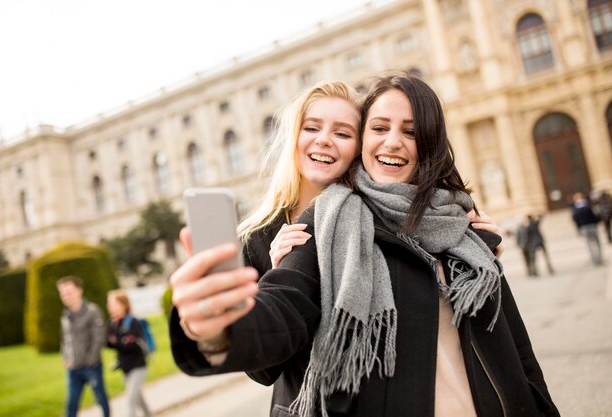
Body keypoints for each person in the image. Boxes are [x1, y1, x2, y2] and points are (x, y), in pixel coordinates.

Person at [169, 73, 558, 417]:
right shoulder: (324, 224)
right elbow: (282, 309)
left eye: (410, 131)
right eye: (380, 128)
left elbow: (519, 358)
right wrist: (217, 329)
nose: (393, 143)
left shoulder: (461, 229)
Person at [56, 275, 110, 417]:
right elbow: (64, 339)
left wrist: (90, 360)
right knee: (71, 404)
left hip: (91, 366)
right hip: (73, 368)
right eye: (62, 294)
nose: (65, 296)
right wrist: (66, 358)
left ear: (79, 290)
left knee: (101, 399)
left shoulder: (92, 311)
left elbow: (98, 338)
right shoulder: (65, 316)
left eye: (69, 292)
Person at [106, 290, 153, 417]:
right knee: (138, 397)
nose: (109, 306)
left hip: (138, 366)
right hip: (125, 366)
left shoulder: (133, 321)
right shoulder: (113, 322)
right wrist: (121, 342)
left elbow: (134, 345)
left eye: (112, 303)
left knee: (131, 398)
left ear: (123, 304)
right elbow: (109, 343)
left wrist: (119, 342)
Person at [571, 192, 603, 265]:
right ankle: (599, 258)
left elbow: (575, 220)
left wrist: (579, 228)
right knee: (596, 242)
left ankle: (594, 259)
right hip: (592, 226)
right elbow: (594, 216)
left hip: (584, 228)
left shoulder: (576, 209)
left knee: (590, 244)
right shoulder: (588, 206)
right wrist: (597, 221)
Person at [522, 213, 554, 277]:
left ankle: (535, 272)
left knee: (534, 259)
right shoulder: (535, 223)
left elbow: (527, 237)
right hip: (540, 241)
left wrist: (527, 244)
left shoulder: (527, 227)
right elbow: (542, 216)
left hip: (533, 244)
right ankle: (550, 268)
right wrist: (535, 214)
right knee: (546, 256)